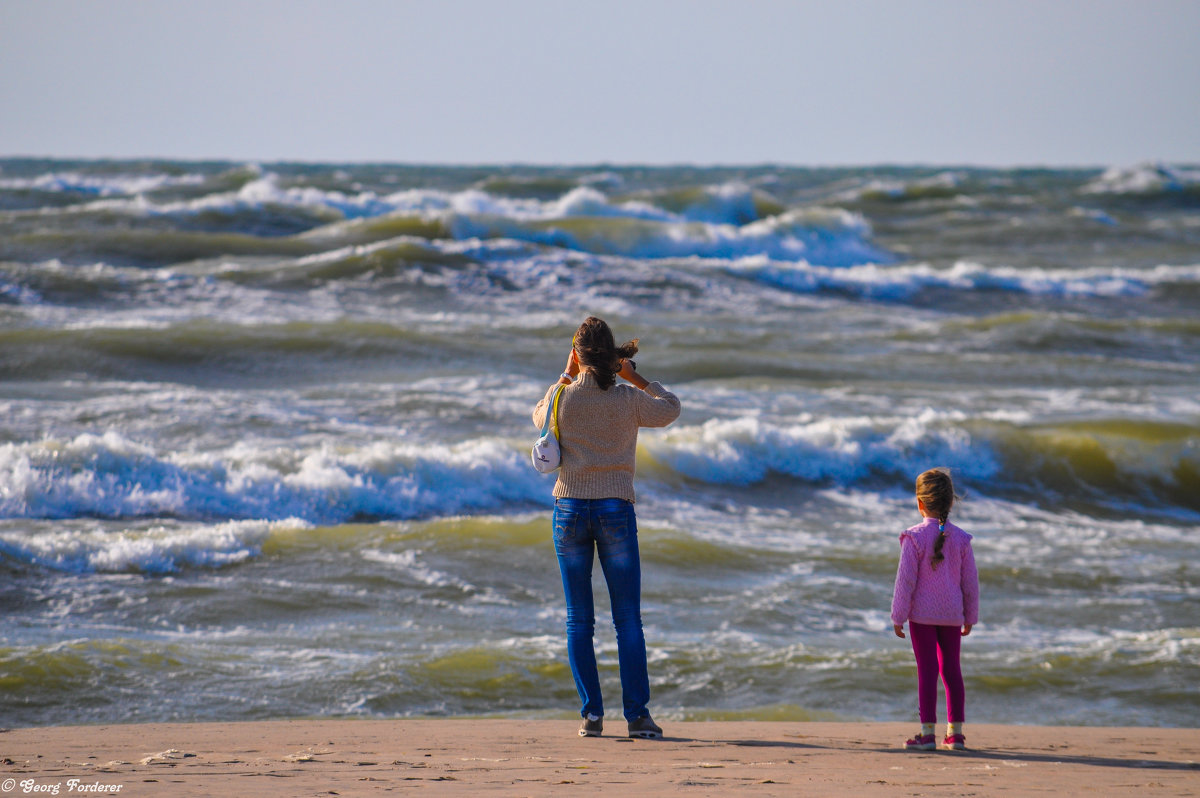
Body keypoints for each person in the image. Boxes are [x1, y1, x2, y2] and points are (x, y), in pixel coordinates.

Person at [532, 316, 681, 739]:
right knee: (627, 621)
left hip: (570, 510)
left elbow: (537, 415)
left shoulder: (562, 397)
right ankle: (637, 717)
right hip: (616, 508)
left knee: (579, 620)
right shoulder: (626, 399)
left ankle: (592, 717)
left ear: (578, 355)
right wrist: (637, 379)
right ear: (612, 356)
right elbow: (671, 408)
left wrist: (565, 373)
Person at [890, 467, 980, 751]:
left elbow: (905, 581)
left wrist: (898, 616)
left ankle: (927, 733)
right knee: (951, 670)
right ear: (951, 502)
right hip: (952, 615)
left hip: (922, 617)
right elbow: (971, 583)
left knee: (927, 671)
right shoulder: (962, 539)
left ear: (920, 503)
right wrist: (970, 616)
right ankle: (955, 734)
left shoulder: (914, 537)